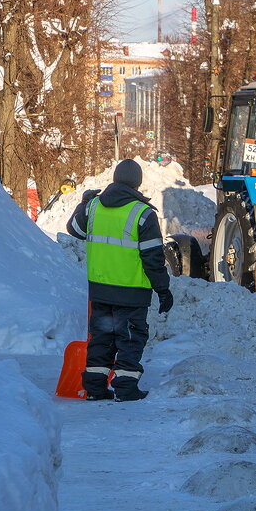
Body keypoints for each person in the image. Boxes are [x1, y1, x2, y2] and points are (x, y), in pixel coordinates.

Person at [66, 159, 173, 402]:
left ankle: (94, 388)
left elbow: (75, 230)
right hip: (132, 291)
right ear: (138, 183)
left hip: (101, 289)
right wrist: (163, 290)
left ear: (114, 179)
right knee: (130, 339)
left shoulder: (93, 207)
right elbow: (153, 258)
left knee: (101, 338)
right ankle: (125, 389)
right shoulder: (143, 213)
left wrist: (83, 203)